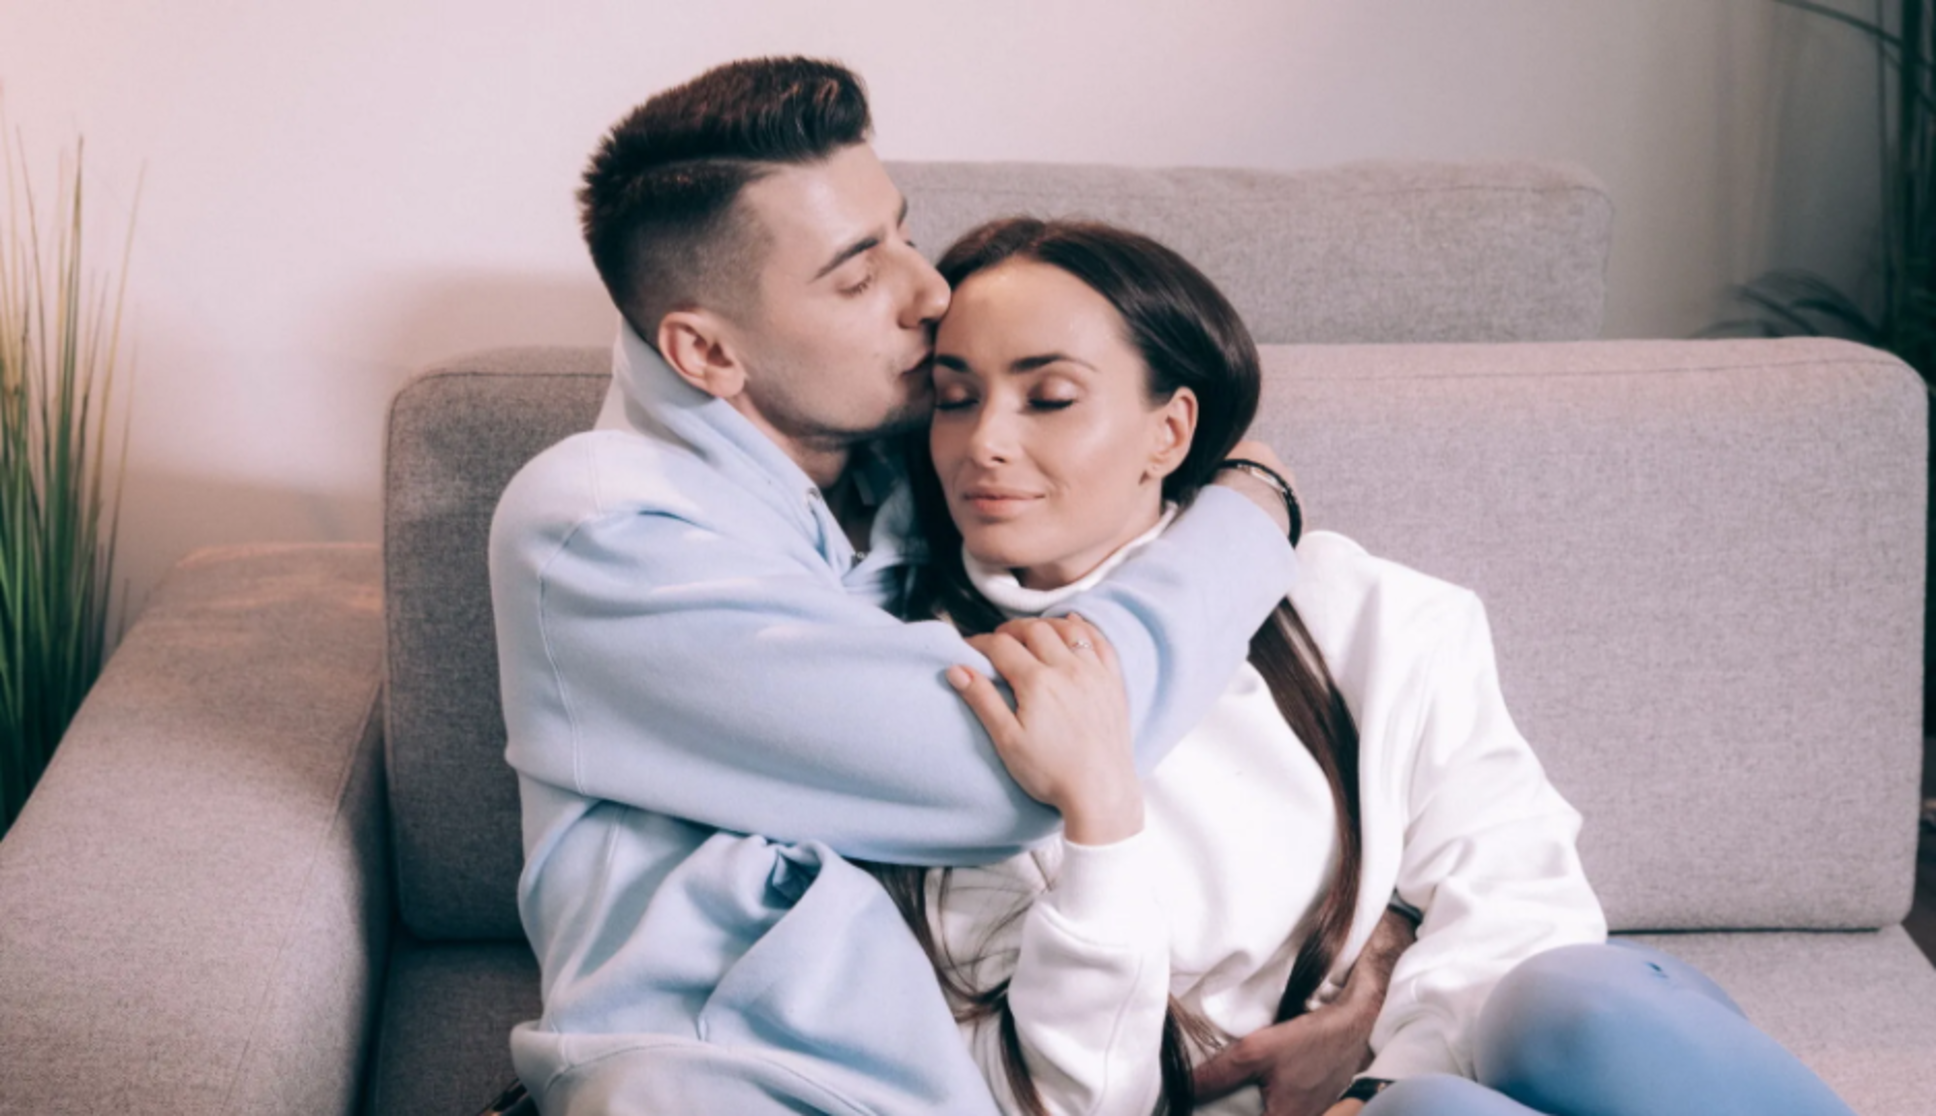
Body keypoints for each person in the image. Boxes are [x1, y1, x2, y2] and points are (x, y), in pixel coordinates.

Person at [489, 57, 1415, 1114]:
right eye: (857, 277)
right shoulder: (602, 529)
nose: (928, 293)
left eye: (903, 233)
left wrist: (1378, 971)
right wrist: (1250, 511)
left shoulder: (910, 472)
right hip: (715, 1083)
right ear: (706, 351)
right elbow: (1007, 766)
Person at [878, 215, 1860, 1116]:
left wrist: (1377, 1076)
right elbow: (1066, 1099)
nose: (984, 442)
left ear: (1169, 430)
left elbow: (1517, 888)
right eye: (955, 400)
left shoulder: (1356, 609)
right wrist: (1100, 822)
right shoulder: (925, 693)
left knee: (1576, 1000)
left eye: (1049, 398)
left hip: (1440, 1066)